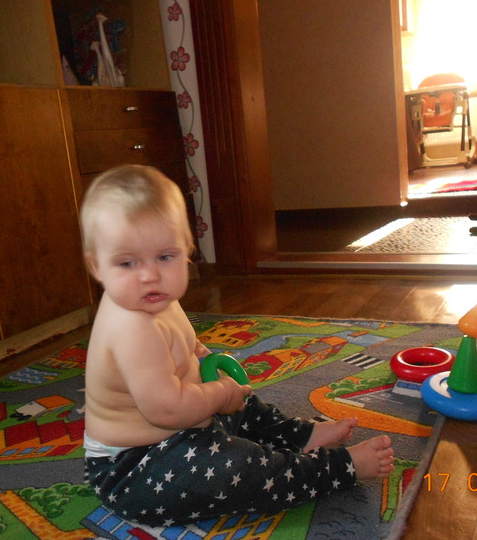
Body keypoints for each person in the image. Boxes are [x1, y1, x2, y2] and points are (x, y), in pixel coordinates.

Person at [80, 164, 394, 526]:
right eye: (127, 262)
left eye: (165, 257)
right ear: (97, 267)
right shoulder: (131, 328)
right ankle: (335, 469)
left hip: (186, 426)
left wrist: (202, 360)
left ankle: (302, 435)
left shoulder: (154, 297)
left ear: (187, 251)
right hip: (136, 468)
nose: (149, 275)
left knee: (243, 404)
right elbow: (166, 411)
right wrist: (219, 395)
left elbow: (182, 346)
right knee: (234, 465)